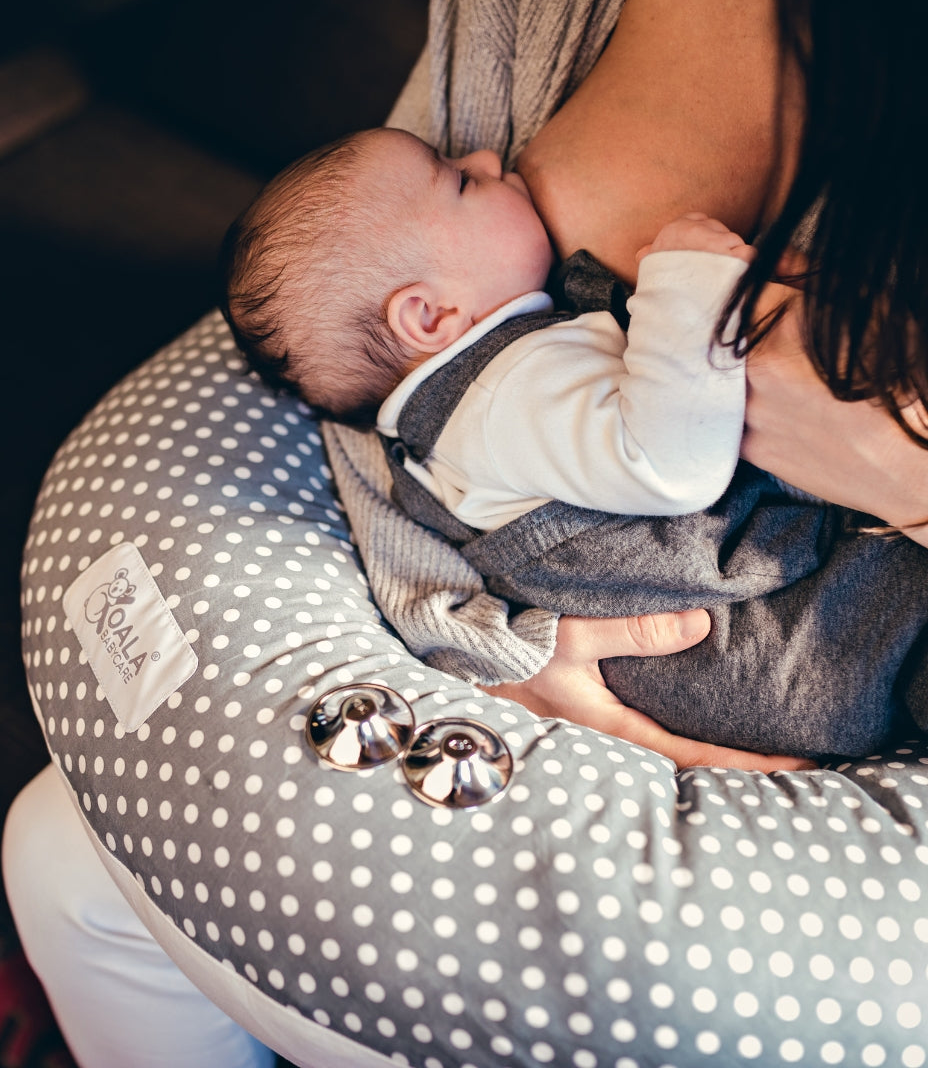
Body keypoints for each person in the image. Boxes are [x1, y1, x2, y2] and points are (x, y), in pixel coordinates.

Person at [4, 0, 928, 1066]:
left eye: (474, 173)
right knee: (57, 851)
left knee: (71, 858)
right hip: (693, 625)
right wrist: (484, 642)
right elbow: (366, 399)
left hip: (814, 648)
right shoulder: (532, 19)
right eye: (464, 179)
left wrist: (901, 480)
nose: (486, 159)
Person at [223, 124, 928, 760]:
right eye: (461, 180)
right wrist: (688, 284)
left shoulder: (451, 425)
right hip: (794, 642)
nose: (485, 154)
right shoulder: (504, 396)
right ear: (430, 316)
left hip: (775, 664)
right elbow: (667, 463)